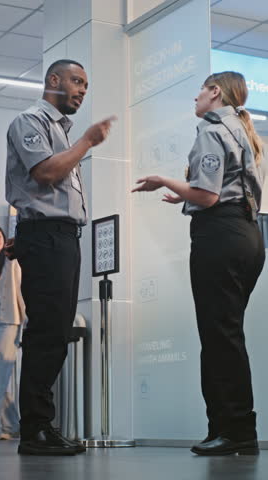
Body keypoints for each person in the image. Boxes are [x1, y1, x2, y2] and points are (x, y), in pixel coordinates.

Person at [132, 71, 266, 456]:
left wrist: (165, 181)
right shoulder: (243, 130)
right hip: (247, 236)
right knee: (226, 333)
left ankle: (234, 430)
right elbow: (225, 188)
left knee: (219, 336)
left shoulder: (211, 129)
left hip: (219, 237)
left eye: (199, 92)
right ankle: (230, 428)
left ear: (214, 92)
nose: (195, 99)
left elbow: (208, 198)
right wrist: (186, 196)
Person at [5, 59, 116, 456]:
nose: (82, 90)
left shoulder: (59, 131)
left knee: (54, 333)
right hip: (47, 237)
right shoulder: (30, 121)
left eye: (85, 84)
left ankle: (40, 425)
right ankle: (35, 429)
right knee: (47, 334)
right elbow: (46, 174)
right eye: (76, 81)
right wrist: (87, 142)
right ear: (53, 80)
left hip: (61, 238)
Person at [0, 226, 26, 440]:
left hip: (9, 321)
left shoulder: (11, 261)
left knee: (0, 373)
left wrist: (28, 319)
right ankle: (11, 426)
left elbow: (20, 289)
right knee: (2, 376)